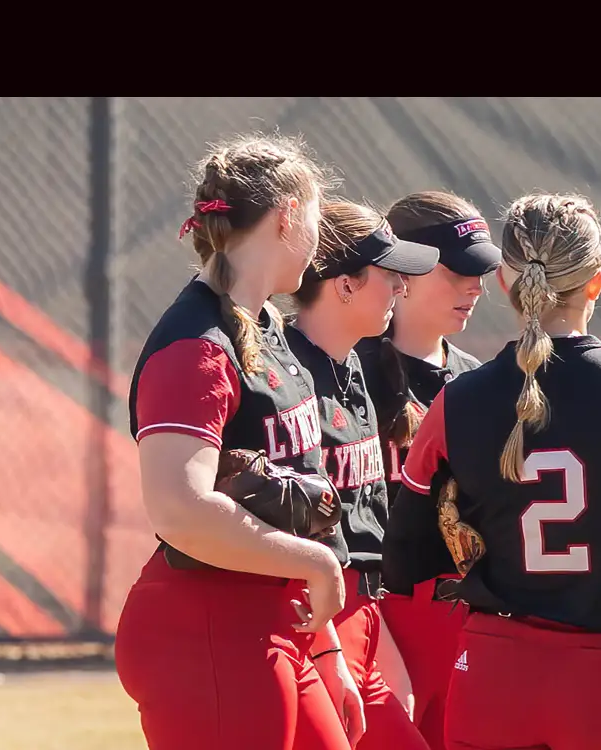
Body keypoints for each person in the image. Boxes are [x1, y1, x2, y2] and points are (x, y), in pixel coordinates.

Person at [384, 192, 601, 750]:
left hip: (494, 679)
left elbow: (402, 558)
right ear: (596, 282)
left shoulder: (456, 400)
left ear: (504, 282)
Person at [116, 133, 366, 750]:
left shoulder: (265, 325)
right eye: (313, 217)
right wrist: (318, 564)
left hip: (272, 623)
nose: (318, 236)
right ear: (287, 218)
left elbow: (290, 500)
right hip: (208, 629)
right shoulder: (197, 344)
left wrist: (326, 643)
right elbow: (179, 510)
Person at [285, 199, 442, 750]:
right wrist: (331, 649)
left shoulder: (354, 362)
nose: (401, 288)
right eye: (390, 275)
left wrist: (379, 641)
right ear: (344, 284)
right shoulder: (285, 372)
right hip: (311, 616)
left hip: (363, 613)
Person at [363, 189, 502, 749]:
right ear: (406, 271)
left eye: (482, 273)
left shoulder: (482, 381)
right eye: (458, 272)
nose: (475, 287)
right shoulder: (352, 371)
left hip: (470, 616)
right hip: (378, 614)